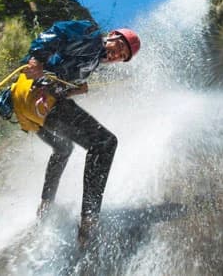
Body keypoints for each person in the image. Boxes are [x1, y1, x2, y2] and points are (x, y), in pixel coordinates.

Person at [9, 19, 140, 248]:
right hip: (36, 97)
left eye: (122, 56)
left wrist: (75, 89)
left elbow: (58, 82)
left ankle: (45, 203)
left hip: (29, 108)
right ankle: (89, 218)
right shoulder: (91, 36)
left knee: (63, 148)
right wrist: (37, 59)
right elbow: (58, 30)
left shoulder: (91, 63)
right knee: (105, 143)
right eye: (119, 47)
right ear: (111, 35)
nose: (117, 54)